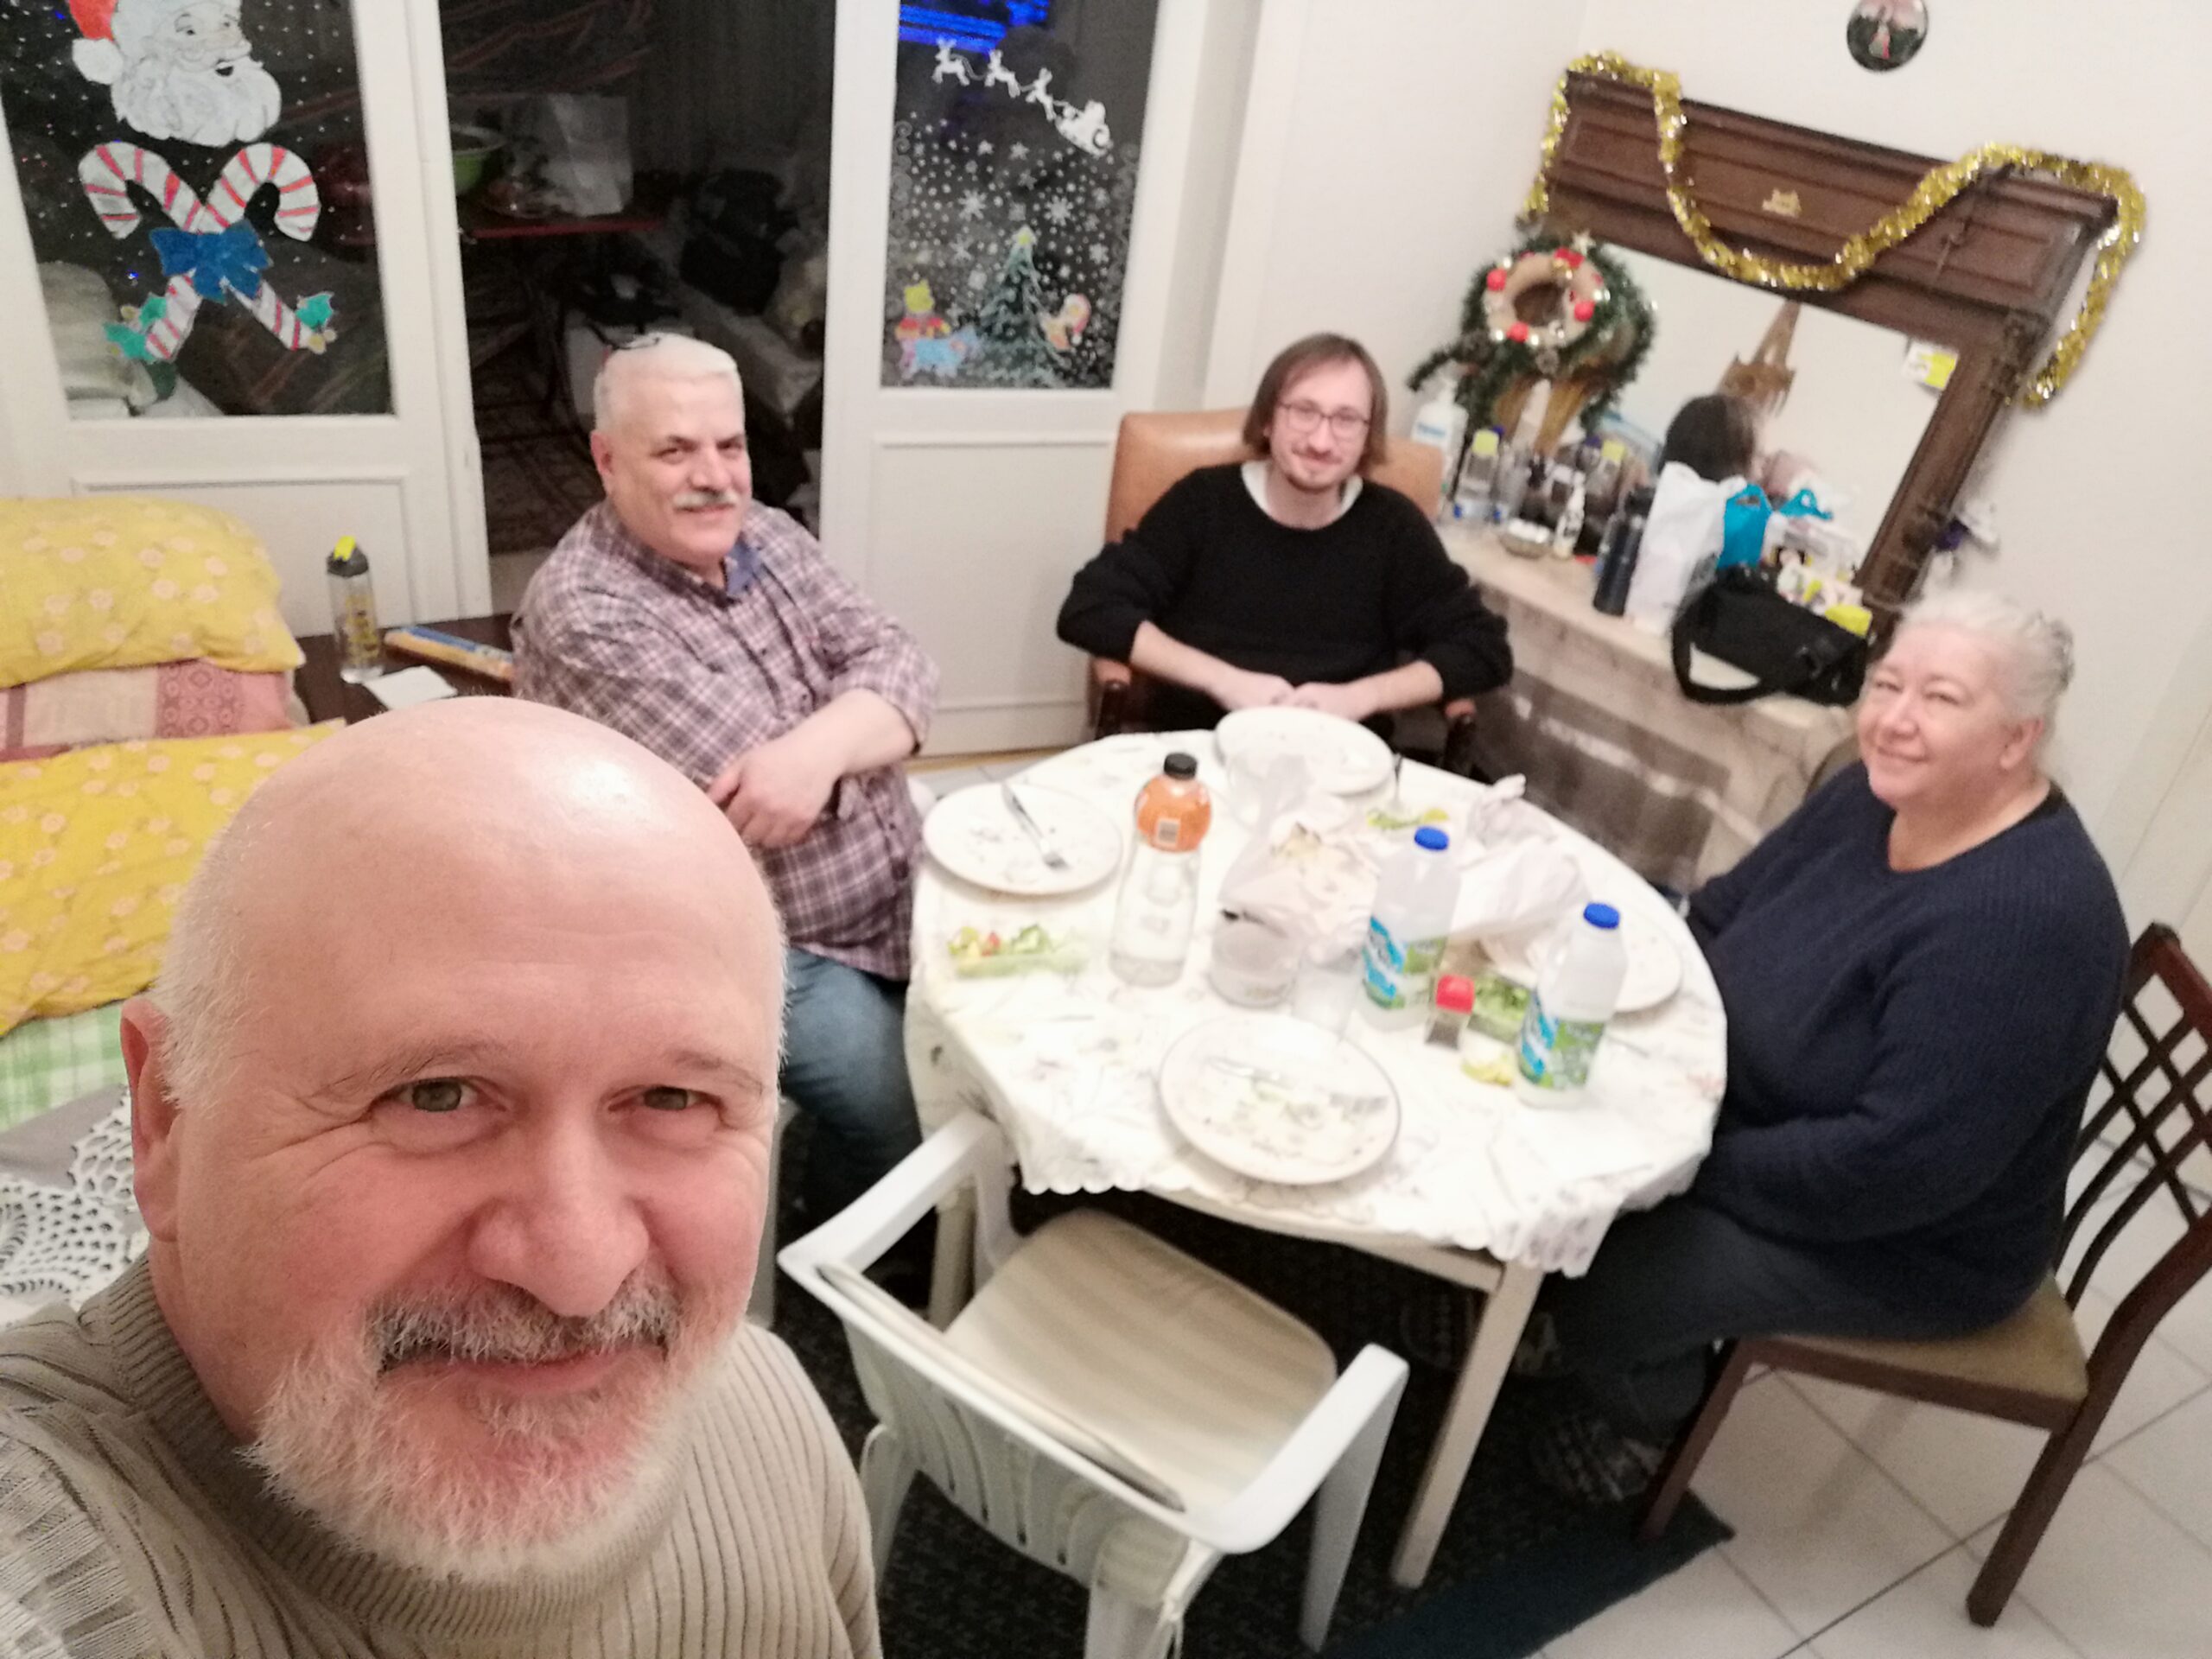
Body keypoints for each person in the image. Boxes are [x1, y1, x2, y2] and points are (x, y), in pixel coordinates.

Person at [0, 699, 880, 1655]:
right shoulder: (43, 1553)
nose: (577, 1272)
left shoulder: (773, 1415)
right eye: (435, 1096)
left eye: (673, 1099)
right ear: (164, 1118)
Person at [1539, 589, 2130, 1503]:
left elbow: (1892, 1169)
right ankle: (1544, 1313)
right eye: (1887, 684)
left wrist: (1682, 1163)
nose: (1894, 720)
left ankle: (1647, 1414)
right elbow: (1724, 912)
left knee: (1618, 1274)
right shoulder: (1872, 790)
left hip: (1907, 1237)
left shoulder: (2025, 925)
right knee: (1548, 1118)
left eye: (1940, 698)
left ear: (2018, 739)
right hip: (1755, 1111)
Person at [515, 335, 936, 1226]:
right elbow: (776, 806)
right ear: (608, 460)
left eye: (730, 445)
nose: (713, 477)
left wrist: (814, 753)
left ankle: (869, 1194)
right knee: (906, 1112)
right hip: (754, 942)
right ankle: (843, 1248)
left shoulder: (769, 533)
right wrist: (861, 730)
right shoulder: (586, 612)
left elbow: (903, 661)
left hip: (889, 884)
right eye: (674, 450)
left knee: (990, 1032)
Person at [1055, 332, 1512, 734]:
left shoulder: (1393, 526)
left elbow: (1483, 648)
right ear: (1268, 419)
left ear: (1368, 436)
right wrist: (1223, 681)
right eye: (1304, 412)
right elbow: (1091, 608)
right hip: (1197, 750)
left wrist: (1361, 697)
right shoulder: (1203, 503)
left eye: (1346, 419)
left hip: (1343, 762)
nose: (1321, 442)